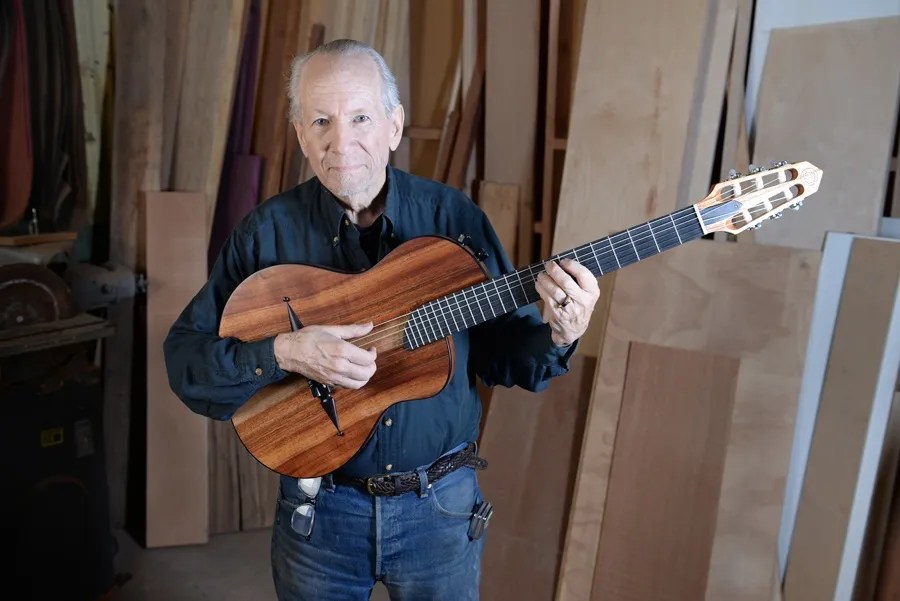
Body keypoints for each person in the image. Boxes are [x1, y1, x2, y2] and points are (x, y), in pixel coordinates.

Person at [163, 38, 600, 601]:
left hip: (439, 509)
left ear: (394, 126)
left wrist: (560, 334)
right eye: (321, 120)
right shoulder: (265, 234)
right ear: (300, 134)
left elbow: (505, 353)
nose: (341, 142)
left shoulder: (452, 221)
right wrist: (282, 352)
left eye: (361, 117)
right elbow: (186, 362)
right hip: (318, 513)